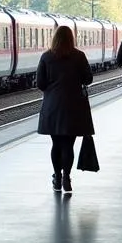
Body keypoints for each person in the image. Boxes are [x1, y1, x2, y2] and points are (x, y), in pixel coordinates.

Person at [37, 25, 95, 193]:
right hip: (74, 107)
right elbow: (88, 78)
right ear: (71, 38)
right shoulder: (79, 56)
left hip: (52, 107)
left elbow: (40, 83)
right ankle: (67, 178)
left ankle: (56, 176)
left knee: (56, 144)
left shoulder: (46, 57)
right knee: (68, 145)